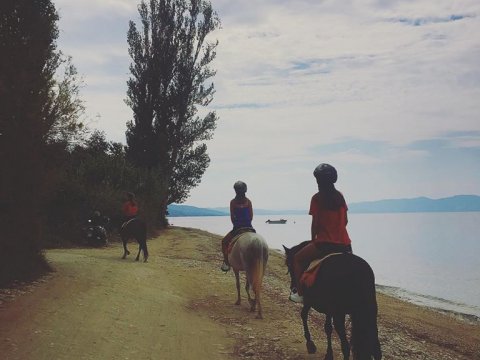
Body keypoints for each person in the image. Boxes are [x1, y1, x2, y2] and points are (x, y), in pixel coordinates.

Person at [289, 163, 353, 303]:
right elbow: (346, 221)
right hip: (345, 245)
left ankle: (300, 294)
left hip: (325, 244)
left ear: (319, 181)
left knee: (297, 259)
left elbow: (315, 224)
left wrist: (314, 240)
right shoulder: (340, 196)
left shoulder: (317, 198)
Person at [220, 181, 255, 272]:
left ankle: (226, 262)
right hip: (249, 228)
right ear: (245, 190)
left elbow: (232, 217)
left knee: (224, 242)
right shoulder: (248, 202)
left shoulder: (233, 202)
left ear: (235, 191)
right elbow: (251, 217)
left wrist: (237, 224)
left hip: (237, 228)